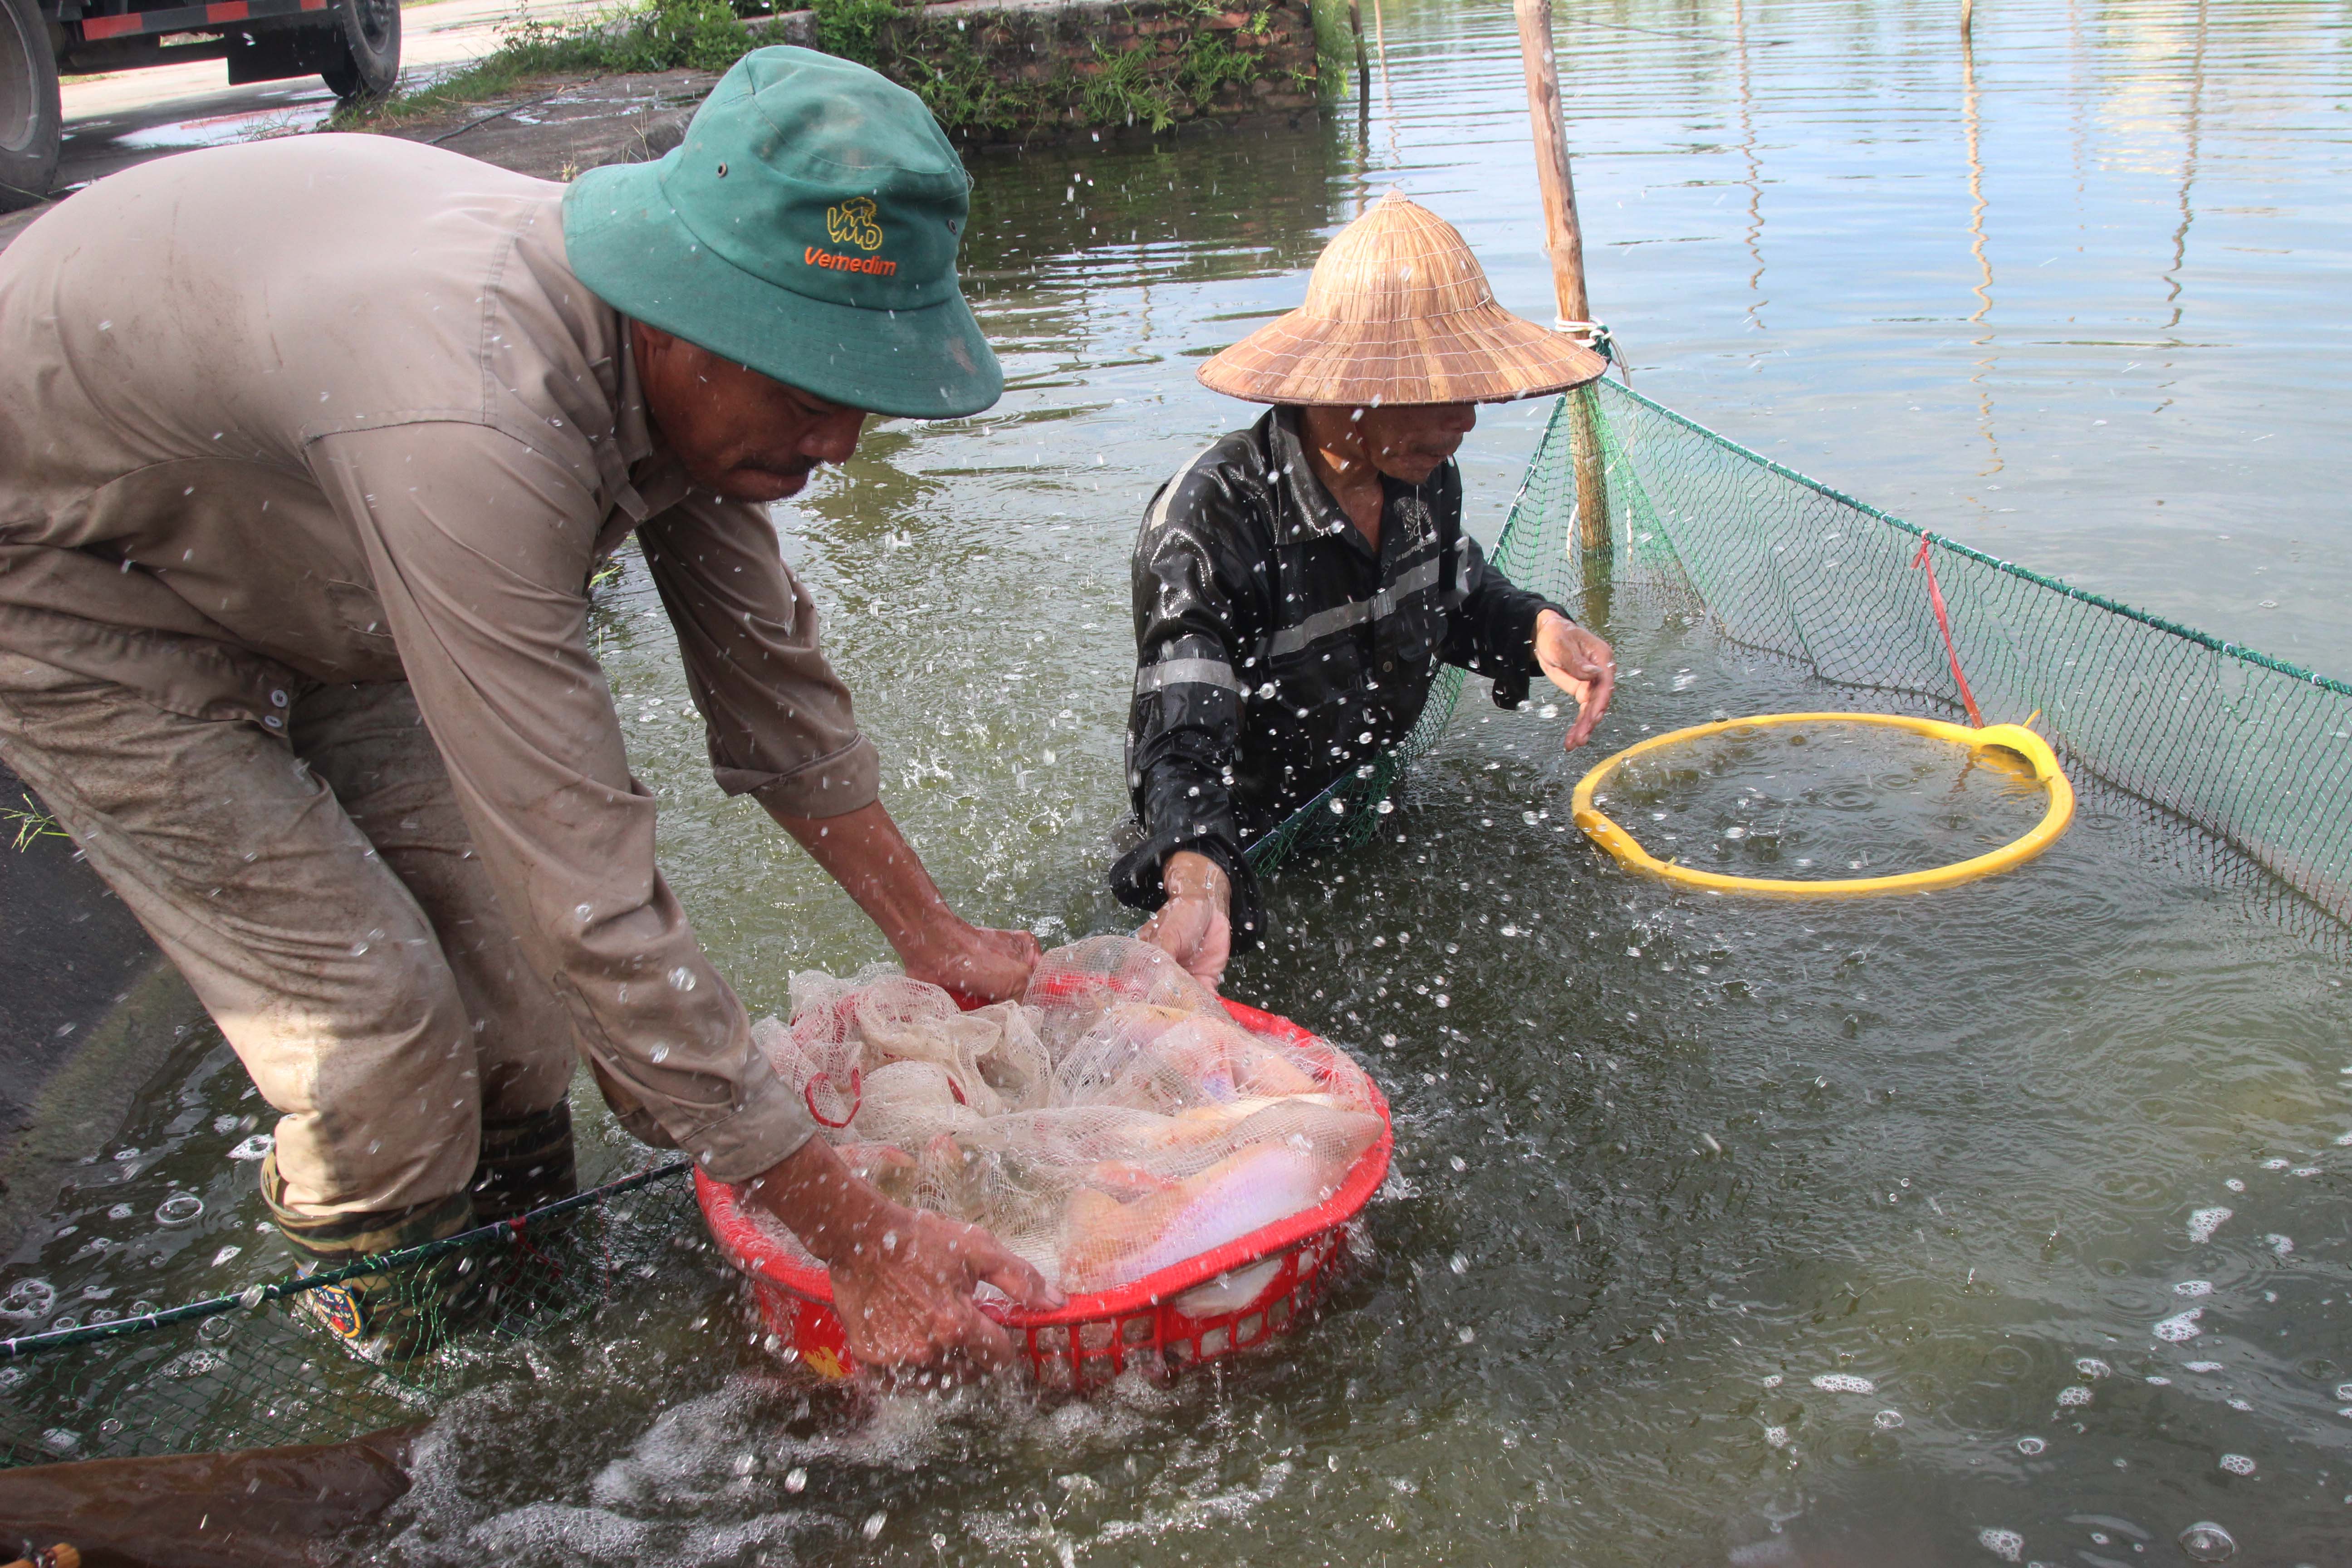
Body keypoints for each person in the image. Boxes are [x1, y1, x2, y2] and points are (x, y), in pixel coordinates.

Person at [0, 48, 1061, 1366]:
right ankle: (409, 1388)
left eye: (859, 393)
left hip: (303, 506)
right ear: (686, 316)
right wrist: (861, 1240)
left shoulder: (696, 383)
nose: (837, 444)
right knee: (377, 1027)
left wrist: (933, 935)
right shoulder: (481, 422)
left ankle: (531, 1327)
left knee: (514, 1001)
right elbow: (587, 893)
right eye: (807, 388)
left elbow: (771, 690)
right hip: (68, 565)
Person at [1112, 193, 1620, 988]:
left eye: (1470, 391)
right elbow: (1180, 724)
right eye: (1440, 392)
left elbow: (1455, 594)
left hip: (1367, 803)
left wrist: (1536, 630)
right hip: (1237, 850)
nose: (1466, 423)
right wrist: (1197, 873)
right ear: (1346, 388)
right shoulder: (1211, 517)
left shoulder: (1420, 475)